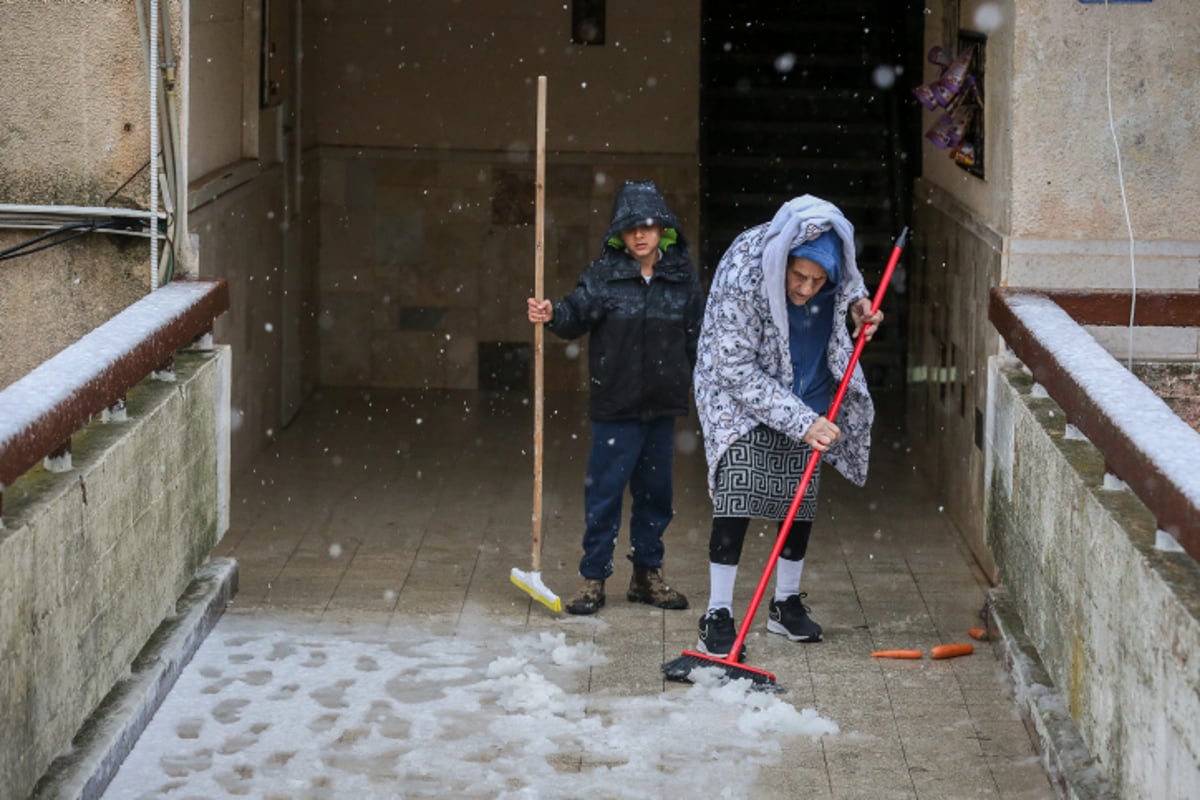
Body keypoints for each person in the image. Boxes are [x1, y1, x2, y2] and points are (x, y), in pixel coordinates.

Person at [691, 195, 883, 658]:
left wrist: (858, 305)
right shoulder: (745, 271)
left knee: (798, 502)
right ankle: (717, 613)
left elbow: (852, 279)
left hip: (808, 381)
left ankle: (785, 605)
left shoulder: (831, 265)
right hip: (739, 397)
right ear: (783, 260)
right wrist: (801, 421)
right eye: (798, 275)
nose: (805, 288)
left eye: (819, 281)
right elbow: (734, 368)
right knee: (737, 492)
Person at [527, 180, 705, 615]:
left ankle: (647, 575)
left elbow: (699, 338)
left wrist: (705, 384)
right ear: (619, 235)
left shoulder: (682, 279)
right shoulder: (604, 277)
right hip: (615, 406)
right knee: (604, 493)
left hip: (662, 406)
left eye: (647, 226)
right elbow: (575, 314)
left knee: (655, 494)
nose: (639, 236)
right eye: (630, 229)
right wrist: (553, 314)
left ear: (663, 229)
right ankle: (593, 578)